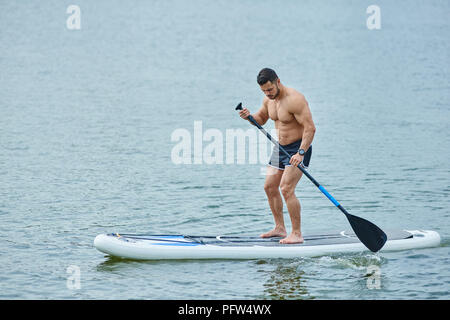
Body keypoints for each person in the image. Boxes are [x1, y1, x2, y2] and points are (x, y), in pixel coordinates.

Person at [238, 68, 316, 244]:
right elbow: (262, 118)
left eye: (270, 89)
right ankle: (280, 228)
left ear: (278, 81)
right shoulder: (269, 100)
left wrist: (301, 153)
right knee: (269, 187)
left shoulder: (295, 99)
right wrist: (249, 117)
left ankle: (296, 233)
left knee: (286, 188)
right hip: (280, 148)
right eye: (264, 91)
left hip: (298, 148)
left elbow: (310, 128)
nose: (268, 93)